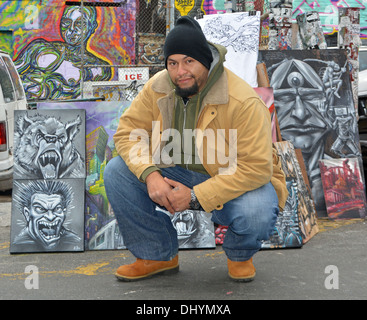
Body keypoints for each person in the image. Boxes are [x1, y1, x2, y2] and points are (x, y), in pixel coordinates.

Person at [104, 16, 288, 282]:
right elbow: (127, 133)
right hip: (173, 171)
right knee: (116, 172)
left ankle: (240, 255)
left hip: (226, 178)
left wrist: (194, 196)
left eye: (189, 61)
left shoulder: (243, 100)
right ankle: (157, 255)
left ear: (205, 60)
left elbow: (256, 168)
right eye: (173, 63)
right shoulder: (158, 87)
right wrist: (150, 174)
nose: (181, 72)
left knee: (258, 208)